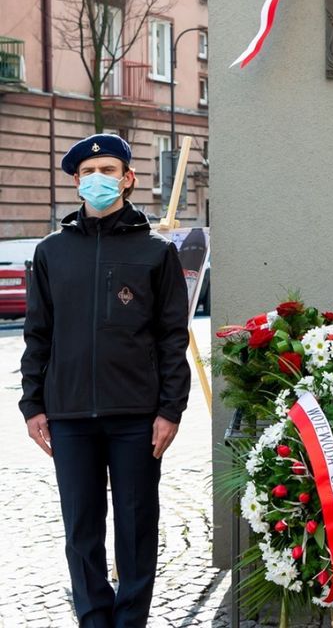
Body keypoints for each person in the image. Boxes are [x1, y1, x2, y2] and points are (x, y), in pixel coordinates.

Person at [19, 133, 192, 628]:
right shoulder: (52, 252)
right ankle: (94, 618)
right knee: (81, 529)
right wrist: (33, 406)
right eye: (89, 173)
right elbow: (38, 334)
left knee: (137, 527)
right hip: (70, 415)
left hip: (136, 416)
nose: (99, 180)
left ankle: (130, 619)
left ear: (128, 179)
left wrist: (170, 410)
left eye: (109, 171)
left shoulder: (155, 252)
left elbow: (171, 337)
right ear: (76, 182)